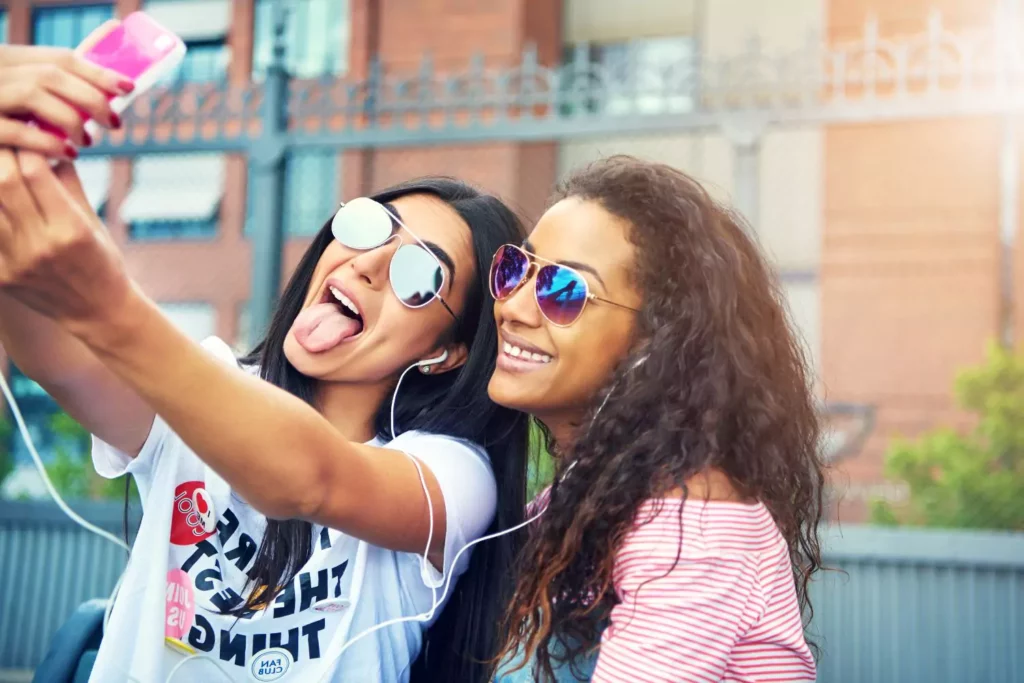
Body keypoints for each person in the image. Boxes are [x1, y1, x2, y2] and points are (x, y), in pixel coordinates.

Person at [0, 44, 531, 683]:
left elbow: (310, 481)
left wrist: (107, 301)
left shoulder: (452, 477)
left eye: (420, 274)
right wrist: (22, 178)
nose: (367, 263)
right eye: (369, 226)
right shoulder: (206, 394)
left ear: (445, 351)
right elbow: (59, 355)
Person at [487, 156, 824, 682]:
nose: (514, 307)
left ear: (656, 344)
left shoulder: (693, 524)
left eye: (562, 290)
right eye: (515, 269)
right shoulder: (586, 501)